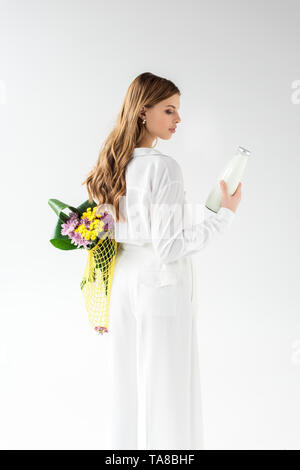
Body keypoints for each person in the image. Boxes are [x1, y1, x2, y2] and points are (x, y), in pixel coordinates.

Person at [82, 72, 242, 450]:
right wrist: (224, 216)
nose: (177, 120)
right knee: (166, 386)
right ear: (142, 112)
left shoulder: (110, 166)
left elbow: (134, 226)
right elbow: (169, 246)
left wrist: (199, 213)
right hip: (161, 285)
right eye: (169, 110)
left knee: (126, 383)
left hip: (122, 281)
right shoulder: (163, 167)